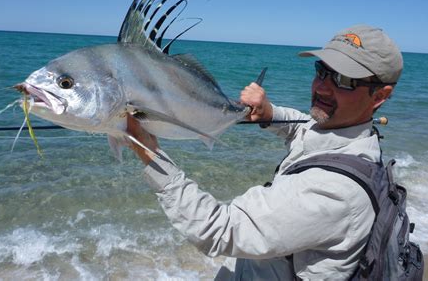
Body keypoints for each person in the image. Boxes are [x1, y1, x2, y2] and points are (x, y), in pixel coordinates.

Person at [126, 24, 404, 280]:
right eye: (322, 70)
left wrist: (150, 152)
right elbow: (305, 130)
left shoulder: (334, 192)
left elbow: (218, 230)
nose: (321, 87)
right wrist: (269, 113)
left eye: (343, 80)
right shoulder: (352, 136)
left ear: (379, 96)